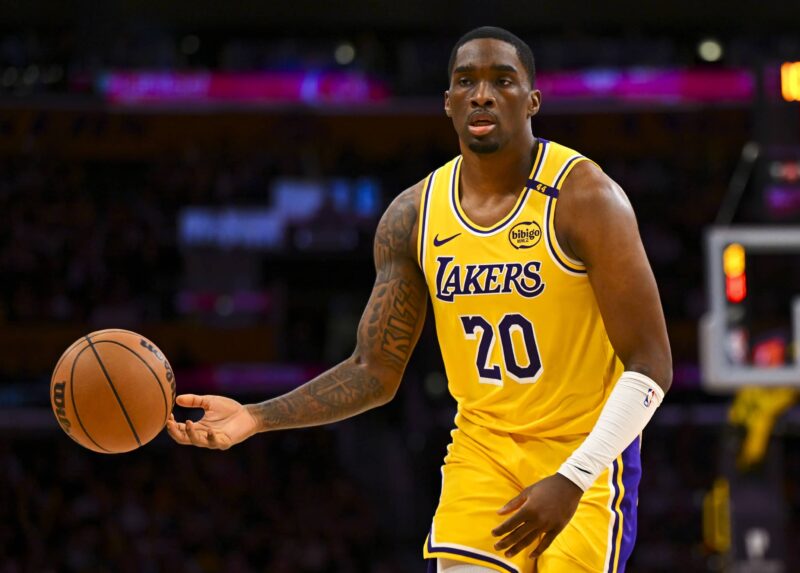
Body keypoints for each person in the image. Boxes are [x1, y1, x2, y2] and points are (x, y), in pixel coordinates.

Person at [168, 26, 672, 573]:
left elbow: (652, 367)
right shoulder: (413, 215)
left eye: (502, 81)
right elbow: (373, 371)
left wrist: (574, 477)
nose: (482, 95)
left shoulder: (586, 198)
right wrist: (254, 417)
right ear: (448, 102)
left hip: (585, 453)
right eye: (466, 82)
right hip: (483, 451)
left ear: (532, 102)